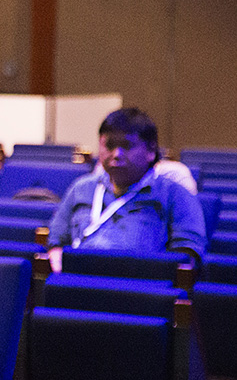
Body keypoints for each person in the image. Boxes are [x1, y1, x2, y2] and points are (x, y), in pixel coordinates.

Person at [47, 107, 207, 273]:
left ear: (151, 151)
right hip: (78, 281)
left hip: (139, 284)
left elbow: (187, 254)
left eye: (127, 146)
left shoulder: (175, 194)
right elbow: (56, 240)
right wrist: (57, 261)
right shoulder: (81, 188)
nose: (117, 154)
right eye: (109, 146)